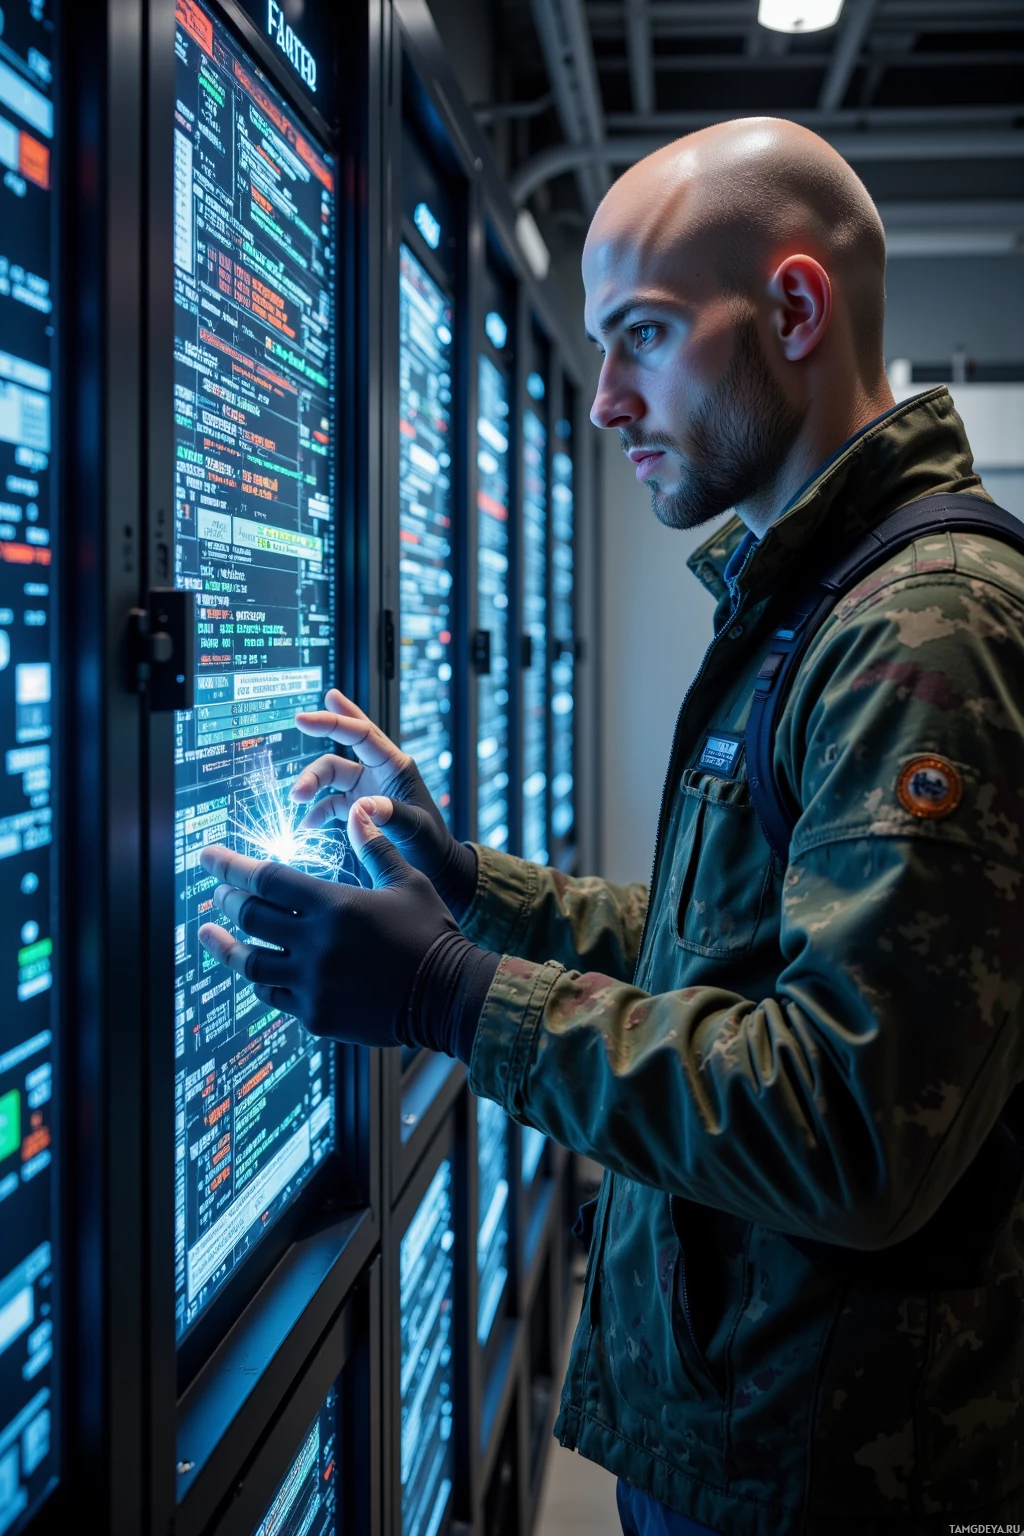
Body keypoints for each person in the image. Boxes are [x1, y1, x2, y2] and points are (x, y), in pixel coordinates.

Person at [198, 118, 1024, 1534]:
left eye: (640, 336)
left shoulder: (927, 631)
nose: (605, 403)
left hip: (833, 1474)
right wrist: (475, 889)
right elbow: (742, 956)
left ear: (793, 310)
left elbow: (850, 1124)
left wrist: (450, 993)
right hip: (756, 1437)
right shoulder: (820, 607)